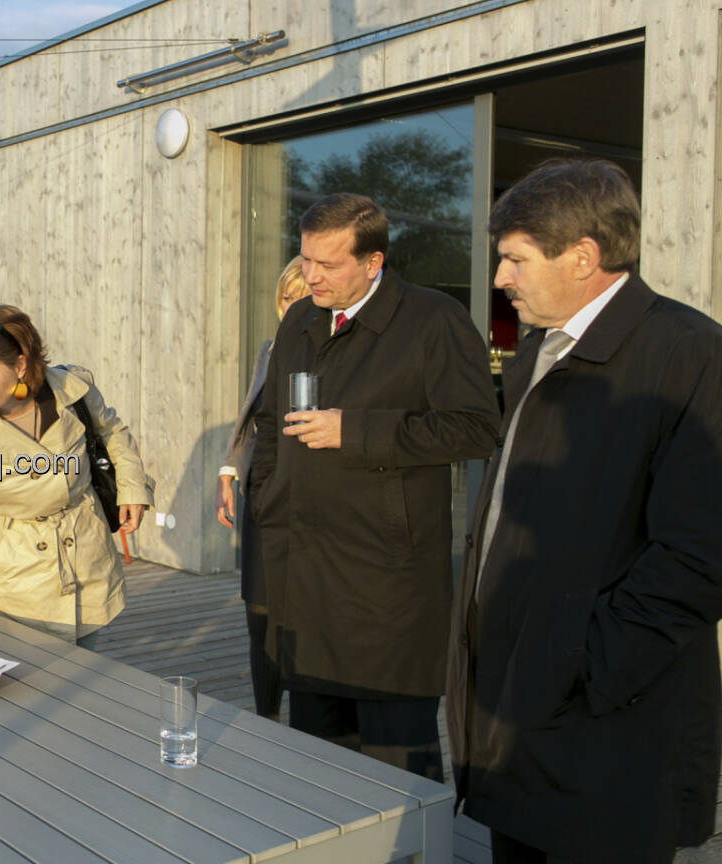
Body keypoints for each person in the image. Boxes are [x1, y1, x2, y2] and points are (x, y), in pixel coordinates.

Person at [446, 160, 722, 864]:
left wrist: (581, 663)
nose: (500, 278)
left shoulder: (691, 355)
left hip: (605, 730)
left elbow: (699, 555)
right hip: (516, 711)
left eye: (513, 258)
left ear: (583, 257)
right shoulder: (542, 345)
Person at [248, 192, 499, 780]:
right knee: (315, 765)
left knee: (397, 768)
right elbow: (268, 426)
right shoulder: (300, 320)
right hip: (304, 576)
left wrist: (352, 430)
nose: (310, 276)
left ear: (373, 262)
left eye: (327, 265)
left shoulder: (434, 320)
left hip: (388, 588)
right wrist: (269, 498)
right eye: (305, 259)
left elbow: (477, 428)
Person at [0, 305, 151, 646]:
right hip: (13, 584)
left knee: (87, 686)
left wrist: (132, 487)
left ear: (20, 365)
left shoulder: (73, 390)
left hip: (86, 564)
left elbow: (113, 432)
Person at [216, 256, 307, 721]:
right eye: (287, 297)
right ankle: (266, 718)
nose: (294, 305)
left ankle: (310, 723)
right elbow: (253, 424)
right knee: (260, 614)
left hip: (309, 501)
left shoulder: (331, 353)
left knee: (302, 618)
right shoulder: (269, 351)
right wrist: (230, 473)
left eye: (304, 296)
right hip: (263, 496)